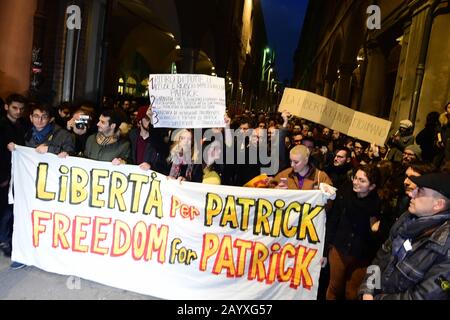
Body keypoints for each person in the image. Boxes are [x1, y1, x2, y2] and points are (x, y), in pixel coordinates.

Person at [359, 172, 450, 300]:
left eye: (420, 191)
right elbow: (381, 256)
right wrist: (368, 289)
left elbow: (423, 296)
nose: (411, 193)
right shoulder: (406, 219)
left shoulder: (445, 246)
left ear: (438, 204)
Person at [326, 164, 382, 300]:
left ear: (372, 186)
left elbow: (377, 237)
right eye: (355, 178)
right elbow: (334, 220)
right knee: (334, 288)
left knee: (353, 293)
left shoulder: (378, 205)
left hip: (362, 256)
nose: (356, 182)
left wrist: (375, 227)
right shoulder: (344, 193)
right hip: (339, 249)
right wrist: (327, 246)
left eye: (362, 180)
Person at [0, 94, 27, 261]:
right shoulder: (1, 125)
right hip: (4, 175)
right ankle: (3, 241)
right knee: (5, 209)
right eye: (14, 108)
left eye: (21, 109)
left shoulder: (22, 125)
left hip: (17, 173)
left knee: (11, 208)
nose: (18, 111)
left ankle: (6, 238)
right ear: (6, 107)